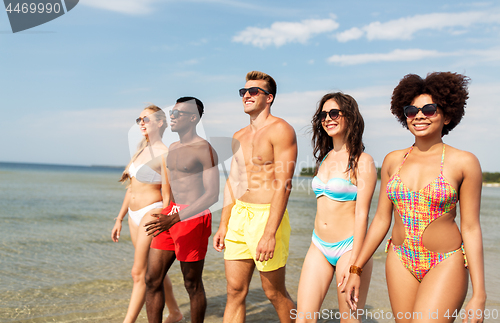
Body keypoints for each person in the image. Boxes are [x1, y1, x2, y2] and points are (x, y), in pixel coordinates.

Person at [344, 72, 486, 323]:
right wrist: (356, 268)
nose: (419, 115)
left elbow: (472, 228)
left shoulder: (464, 162)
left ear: (448, 115)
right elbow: (380, 220)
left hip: (445, 261)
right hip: (400, 259)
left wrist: (479, 294)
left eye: (429, 109)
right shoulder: (392, 160)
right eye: (411, 110)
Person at [213, 71, 297, 323]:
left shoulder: (281, 130)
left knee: (274, 293)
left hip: (266, 217)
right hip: (239, 216)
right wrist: (223, 224)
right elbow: (234, 182)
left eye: (253, 92)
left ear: (269, 98)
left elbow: (284, 185)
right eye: (243, 92)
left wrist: (269, 233)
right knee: (234, 291)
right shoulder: (238, 136)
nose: (246, 95)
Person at [296, 93, 376, 322]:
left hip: (350, 248)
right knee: (303, 319)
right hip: (318, 245)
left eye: (333, 113)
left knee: (348, 319)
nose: (327, 119)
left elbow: (363, 215)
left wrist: (355, 266)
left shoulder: (363, 161)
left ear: (350, 116)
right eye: (323, 114)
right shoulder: (325, 157)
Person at [144, 97, 219, 323]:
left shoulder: (204, 149)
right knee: (152, 280)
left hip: (192, 217)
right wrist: (166, 211)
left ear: (193, 118)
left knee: (191, 283)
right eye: (172, 113)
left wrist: (175, 217)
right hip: (171, 215)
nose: (172, 117)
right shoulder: (174, 147)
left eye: (178, 114)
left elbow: (212, 195)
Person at [111, 105, 183, 323]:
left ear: (160, 123)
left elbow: (172, 191)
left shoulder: (165, 153)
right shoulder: (141, 150)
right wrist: (119, 218)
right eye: (139, 119)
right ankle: (176, 313)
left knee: (137, 272)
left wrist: (168, 216)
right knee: (154, 269)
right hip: (133, 215)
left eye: (146, 119)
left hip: (152, 212)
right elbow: (131, 189)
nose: (141, 123)